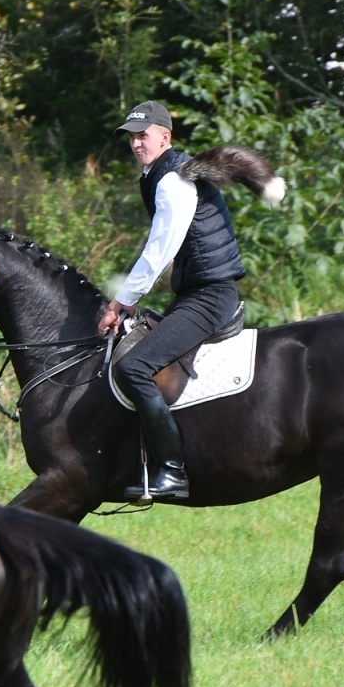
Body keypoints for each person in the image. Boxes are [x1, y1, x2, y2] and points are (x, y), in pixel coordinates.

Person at [97, 101, 245, 502]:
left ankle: (172, 472)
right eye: (131, 136)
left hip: (210, 295)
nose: (136, 143)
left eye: (143, 135)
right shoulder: (158, 175)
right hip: (197, 292)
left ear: (166, 136)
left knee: (133, 367)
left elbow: (160, 249)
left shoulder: (173, 180)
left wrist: (121, 302)